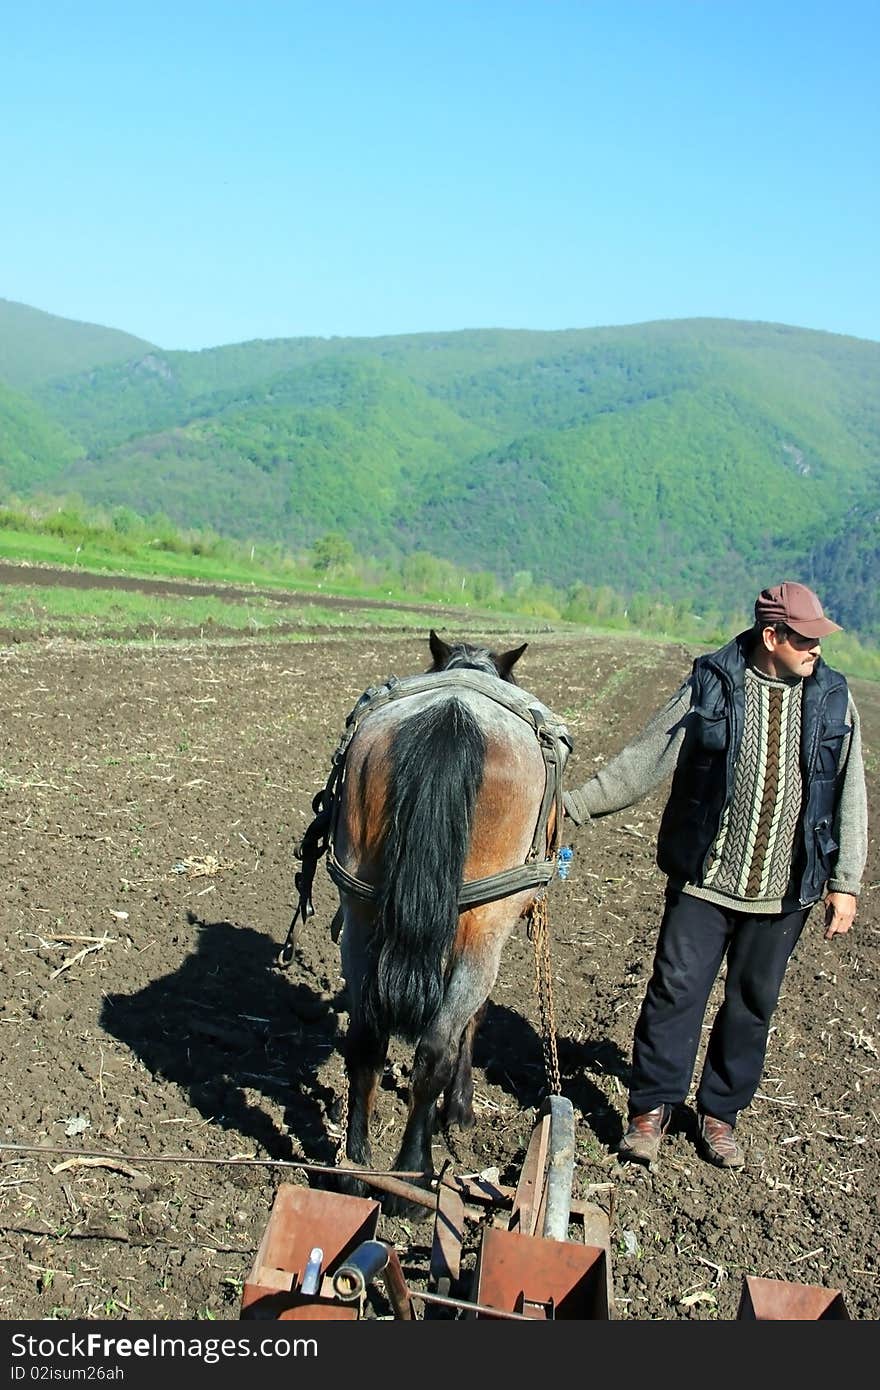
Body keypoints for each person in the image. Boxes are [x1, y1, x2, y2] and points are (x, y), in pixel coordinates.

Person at [563, 581, 868, 1170]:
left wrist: (845, 882)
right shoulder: (711, 684)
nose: (816, 651)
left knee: (752, 1005)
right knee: (675, 993)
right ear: (772, 636)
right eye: (805, 639)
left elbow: (849, 789)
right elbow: (646, 757)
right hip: (705, 879)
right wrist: (573, 806)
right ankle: (651, 1110)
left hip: (785, 892)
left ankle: (720, 1114)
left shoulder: (832, 697)